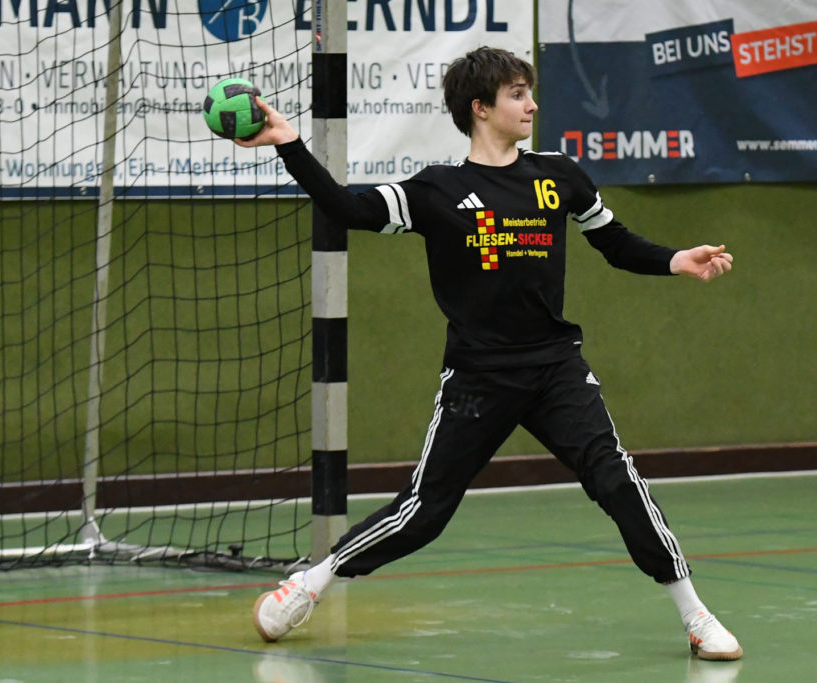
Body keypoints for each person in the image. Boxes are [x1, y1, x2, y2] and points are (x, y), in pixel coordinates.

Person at [236, 46, 741, 661]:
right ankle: (309, 585)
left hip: (555, 369)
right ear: (480, 108)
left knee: (617, 480)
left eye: (530, 92)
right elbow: (347, 208)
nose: (532, 105)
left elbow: (613, 242)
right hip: (478, 377)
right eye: (517, 94)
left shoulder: (558, 175)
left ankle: (695, 615)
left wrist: (675, 260)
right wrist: (288, 143)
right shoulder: (436, 190)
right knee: (423, 513)